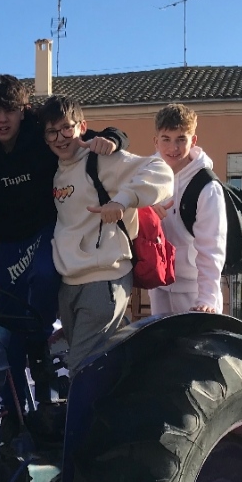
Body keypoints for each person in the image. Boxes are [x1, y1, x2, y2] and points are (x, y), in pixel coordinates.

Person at [0, 75, 125, 412]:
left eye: (9, 111)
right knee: (7, 326)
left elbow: (90, 136)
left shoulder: (39, 130)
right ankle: (14, 413)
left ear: (24, 111)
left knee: (46, 276)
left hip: (45, 228)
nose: (3, 120)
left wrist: (115, 139)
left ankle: (41, 346)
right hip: (5, 241)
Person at [41, 95, 174, 372]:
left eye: (66, 128)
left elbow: (161, 171)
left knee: (83, 369)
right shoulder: (56, 169)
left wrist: (122, 201)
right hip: (70, 283)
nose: (60, 138)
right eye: (52, 131)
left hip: (104, 280)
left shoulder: (102, 160)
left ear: (82, 127)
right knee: (100, 368)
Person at [150, 103, 227, 315]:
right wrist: (147, 211)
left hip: (195, 290)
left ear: (193, 141)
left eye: (181, 139)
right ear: (156, 141)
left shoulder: (207, 187)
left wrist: (207, 298)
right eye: (166, 139)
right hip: (158, 285)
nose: (173, 148)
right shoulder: (147, 177)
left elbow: (212, 247)